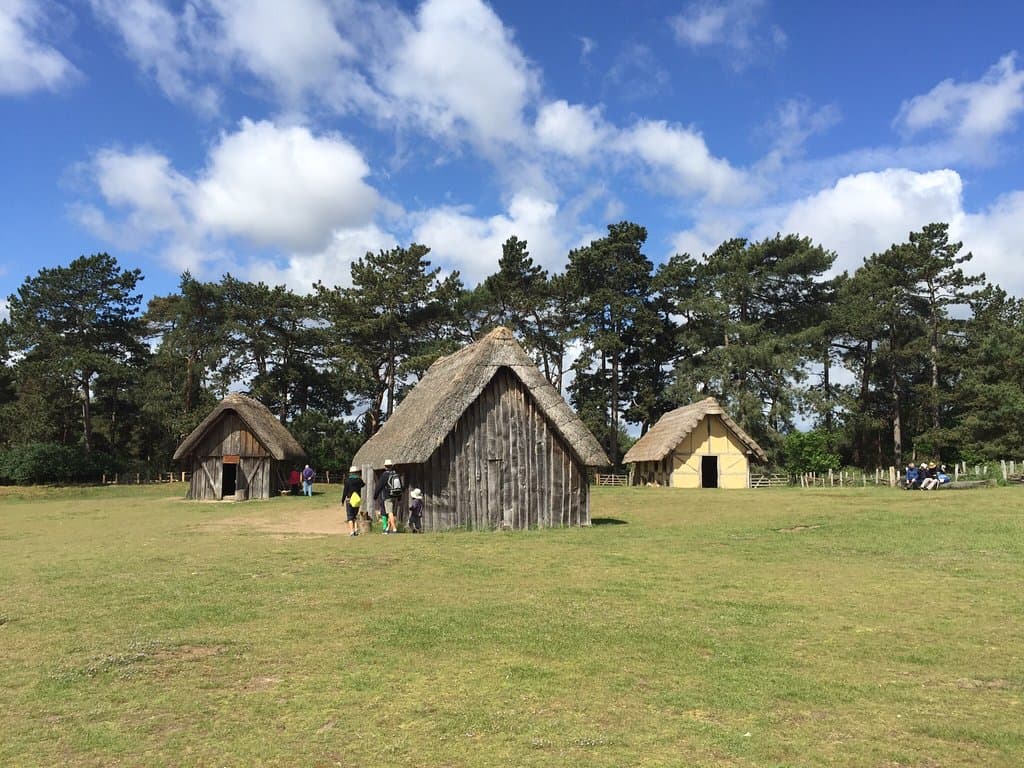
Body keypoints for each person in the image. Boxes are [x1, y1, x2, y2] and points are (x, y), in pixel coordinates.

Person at [374, 459, 403, 534]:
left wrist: (375, 495)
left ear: (385, 466)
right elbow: (400, 486)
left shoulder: (385, 475)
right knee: (392, 513)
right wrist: (399, 496)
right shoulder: (395, 474)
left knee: (389, 512)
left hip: (387, 496)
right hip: (395, 495)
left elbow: (379, 486)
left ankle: (394, 528)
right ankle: (387, 529)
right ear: (391, 466)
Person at [342, 466, 365, 537]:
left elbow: (345, 491)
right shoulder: (359, 480)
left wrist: (342, 500)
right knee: (355, 515)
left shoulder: (347, 480)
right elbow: (363, 484)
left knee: (350, 516)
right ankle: (355, 530)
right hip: (357, 500)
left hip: (349, 499)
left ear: (350, 472)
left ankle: (352, 531)